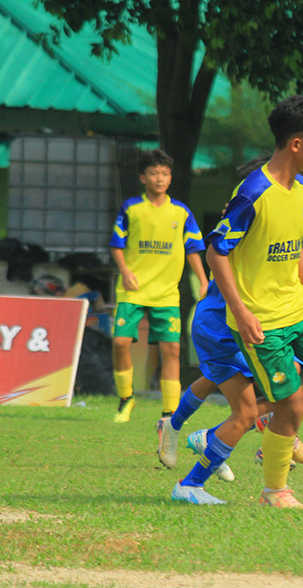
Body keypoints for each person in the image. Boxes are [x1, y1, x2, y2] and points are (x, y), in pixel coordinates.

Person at [180, 95, 303, 508]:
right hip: (264, 323)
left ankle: (271, 421)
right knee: (292, 404)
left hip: (300, 310)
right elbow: (216, 252)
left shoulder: (302, 188)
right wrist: (241, 312)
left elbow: (291, 251)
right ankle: (274, 491)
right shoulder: (253, 192)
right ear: (296, 144)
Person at [158, 254, 303, 499]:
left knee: (291, 371)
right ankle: (180, 433)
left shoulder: (277, 233)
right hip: (221, 328)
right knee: (235, 401)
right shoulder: (240, 230)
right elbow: (264, 270)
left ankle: (258, 427)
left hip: (259, 323)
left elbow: (286, 269)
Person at [109, 149, 209, 423]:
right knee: (120, 343)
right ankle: (126, 399)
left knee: (172, 350)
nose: (159, 178)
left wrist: (203, 280)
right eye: (154, 173)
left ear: (170, 178)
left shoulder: (181, 212)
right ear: (143, 177)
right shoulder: (132, 208)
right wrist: (126, 271)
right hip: (133, 289)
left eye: (164, 173)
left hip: (166, 293)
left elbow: (193, 249)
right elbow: (117, 245)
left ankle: (169, 411)